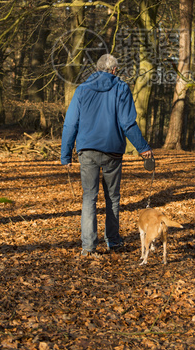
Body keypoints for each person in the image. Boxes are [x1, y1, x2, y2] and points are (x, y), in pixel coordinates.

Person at [61, 53, 153, 257]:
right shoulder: (121, 88)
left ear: (97, 68)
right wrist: (143, 148)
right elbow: (127, 123)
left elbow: (70, 124)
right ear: (113, 70)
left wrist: (66, 155)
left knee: (89, 198)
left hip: (87, 151)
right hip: (112, 151)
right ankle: (113, 241)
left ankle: (88, 247)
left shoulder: (82, 89)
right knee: (112, 198)